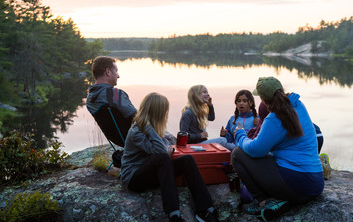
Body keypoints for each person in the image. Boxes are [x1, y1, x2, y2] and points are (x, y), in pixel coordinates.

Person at [231, 77, 324, 221]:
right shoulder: (297, 104)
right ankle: (280, 199)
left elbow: (256, 150)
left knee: (237, 154)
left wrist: (240, 135)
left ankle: (264, 202)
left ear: (262, 98)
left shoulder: (274, 118)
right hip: (316, 183)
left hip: (298, 186)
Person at [121, 92, 219, 222]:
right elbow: (161, 151)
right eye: (164, 111)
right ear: (157, 111)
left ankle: (206, 210)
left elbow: (168, 145)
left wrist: (165, 146)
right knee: (162, 157)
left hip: (152, 173)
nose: (165, 114)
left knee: (188, 160)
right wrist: (150, 128)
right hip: (134, 178)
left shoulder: (154, 128)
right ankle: (174, 215)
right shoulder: (137, 131)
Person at [86, 56, 137, 141]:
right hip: (136, 140)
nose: (118, 76)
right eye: (116, 71)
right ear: (108, 72)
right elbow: (138, 118)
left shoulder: (90, 98)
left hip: (119, 140)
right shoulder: (114, 94)